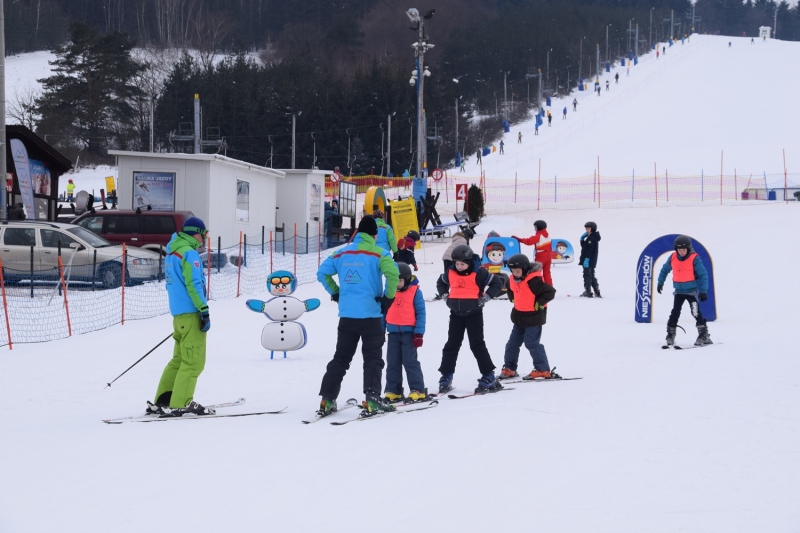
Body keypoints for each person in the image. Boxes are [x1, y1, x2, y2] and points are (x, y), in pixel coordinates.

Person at [316, 216, 400, 417]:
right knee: (373, 357)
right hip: (371, 315)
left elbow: (322, 273)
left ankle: (327, 399)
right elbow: (393, 274)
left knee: (341, 358)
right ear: (375, 235)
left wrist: (336, 292)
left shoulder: (341, 253)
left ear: (358, 233)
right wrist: (388, 298)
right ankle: (372, 398)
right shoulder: (379, 253)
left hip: (347, 316)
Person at [148, 217, 213, 417]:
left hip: (178, 315)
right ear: (197, 233)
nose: (204, 239)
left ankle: (164, 399)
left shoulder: (172, 252)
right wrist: (203, 309)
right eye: (204, 234)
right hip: (191, 313)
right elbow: (194, 284)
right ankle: (181, 403)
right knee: (193, 362)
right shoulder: (189, 253)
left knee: (179, 359)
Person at [436, 244, 504, 394]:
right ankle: (446, 375)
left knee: (477, 344)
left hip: (474, 313)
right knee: (451, 345)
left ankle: (489, 375)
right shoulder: (450, 272)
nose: (459, 267)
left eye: (462, 264)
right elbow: (440, 283)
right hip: (456, 314)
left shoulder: (479, 272)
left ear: (469, 262)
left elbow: (498, 283)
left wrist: (486, 298)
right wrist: (445, 296)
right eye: (457, 264)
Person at [498, 255, 557, 380]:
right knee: (512, 344)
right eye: (513, 271)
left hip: (534, 317)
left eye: (517, 271)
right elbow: (508, 287)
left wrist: (540, 303)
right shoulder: (512, 279)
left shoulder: (533, 280)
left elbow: (550, 292)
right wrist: (512, 297)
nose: (515, 273)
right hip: (519, 317)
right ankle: (509, 368)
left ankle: (543, 369)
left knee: (531, 343)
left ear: (524, 269)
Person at [657, 235, 712, 347]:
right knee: (675, 312)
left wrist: (704, 291)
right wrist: (660, 283)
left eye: (683, 250)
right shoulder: (673, 257)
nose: (681, 252)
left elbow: (703, 274)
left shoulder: (695, 258)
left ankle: (704, 335)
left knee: (695, 312)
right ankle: (670, 334)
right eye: (679, 250)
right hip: (679, 292)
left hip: (691, 291)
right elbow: (664, 269)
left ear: (688, 248)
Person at [384, 262, 428, 402]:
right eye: (394, 280)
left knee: (410, 362)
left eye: (400, 280)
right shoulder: (389, 292)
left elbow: (421, 313)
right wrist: (380, 331)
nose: (397, 283)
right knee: (392, 362)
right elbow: (383, 312)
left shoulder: (415, 292)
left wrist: (419, 334)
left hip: (409, 334)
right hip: (393, 334)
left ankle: (418, 390)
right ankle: (393, 390)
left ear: (407, 279)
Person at [513, 220, 553, 286]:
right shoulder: (548, 236)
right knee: (547, 273)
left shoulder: (539, 236)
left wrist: (519, 239)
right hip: (548, 255)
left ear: (539, 227)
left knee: (537, 272)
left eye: (535, 227)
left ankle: (537, 286)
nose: (535, 229)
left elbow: (529, 241)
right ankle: (550, 287)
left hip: (541, 255)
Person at [579, 221, 601, 298]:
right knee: (591, 275)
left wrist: (587, 259)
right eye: (586, 228)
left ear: (593, 229)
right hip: (591, 260)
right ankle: (596, 291)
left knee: (587, 275)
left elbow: (589, 250)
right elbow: (585, 247)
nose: (587, 230)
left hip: (589, 260)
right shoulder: (591, 237)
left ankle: (588, 291)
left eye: (588, 228)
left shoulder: (591, 238)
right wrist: (582, 240)